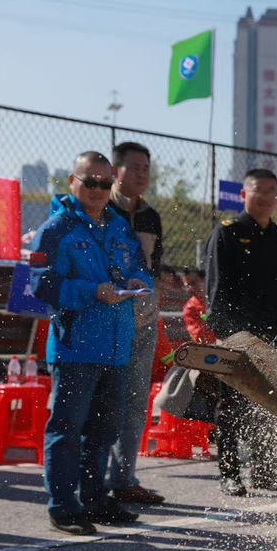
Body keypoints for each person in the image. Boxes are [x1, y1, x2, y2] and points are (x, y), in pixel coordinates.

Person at [30, 151, 151, 535]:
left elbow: (140, 268)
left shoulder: (119, 226)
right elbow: (41, 284)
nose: (97, 189)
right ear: (73, 182)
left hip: (117, 348)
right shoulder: (55, 229)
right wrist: (93, 291)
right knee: (66, 430)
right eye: (90, 182)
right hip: (75, 348)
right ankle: (63, 507)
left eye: (104, 183)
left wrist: (137, 281)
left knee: (103, 431)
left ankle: (96, 499)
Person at [204, 168, 277, 495]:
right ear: (244, 194)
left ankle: (264, 471)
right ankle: (230, 473)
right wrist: (227, 335)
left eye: (271, 191)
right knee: (230, 407)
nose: (266, 197)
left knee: (269, 405)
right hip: (237, 336)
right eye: (259, 191)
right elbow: (216, 291)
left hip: (273, 337)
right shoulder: (227, 232)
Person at [106, 141, 165, 506]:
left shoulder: (150, 216)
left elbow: (155, 267)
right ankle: (93, 482)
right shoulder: (101, 208)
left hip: (143, 320)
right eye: (135, 167)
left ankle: (125, 478)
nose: (142, 174)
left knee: (135, 402)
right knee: (103, 401)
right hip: (106, 320)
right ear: (116, 171)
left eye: (146, 168)